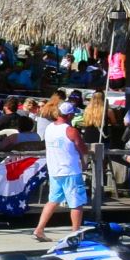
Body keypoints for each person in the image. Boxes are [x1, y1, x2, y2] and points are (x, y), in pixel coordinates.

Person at [32, 101, 87, 242]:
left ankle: (39, 229)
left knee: (52, 201)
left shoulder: (49, 127)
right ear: (69, 115)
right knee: (76, 203)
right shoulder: (70, 130)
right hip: (70, 170)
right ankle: (75, 233)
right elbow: (82, 148)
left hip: (55, 170)